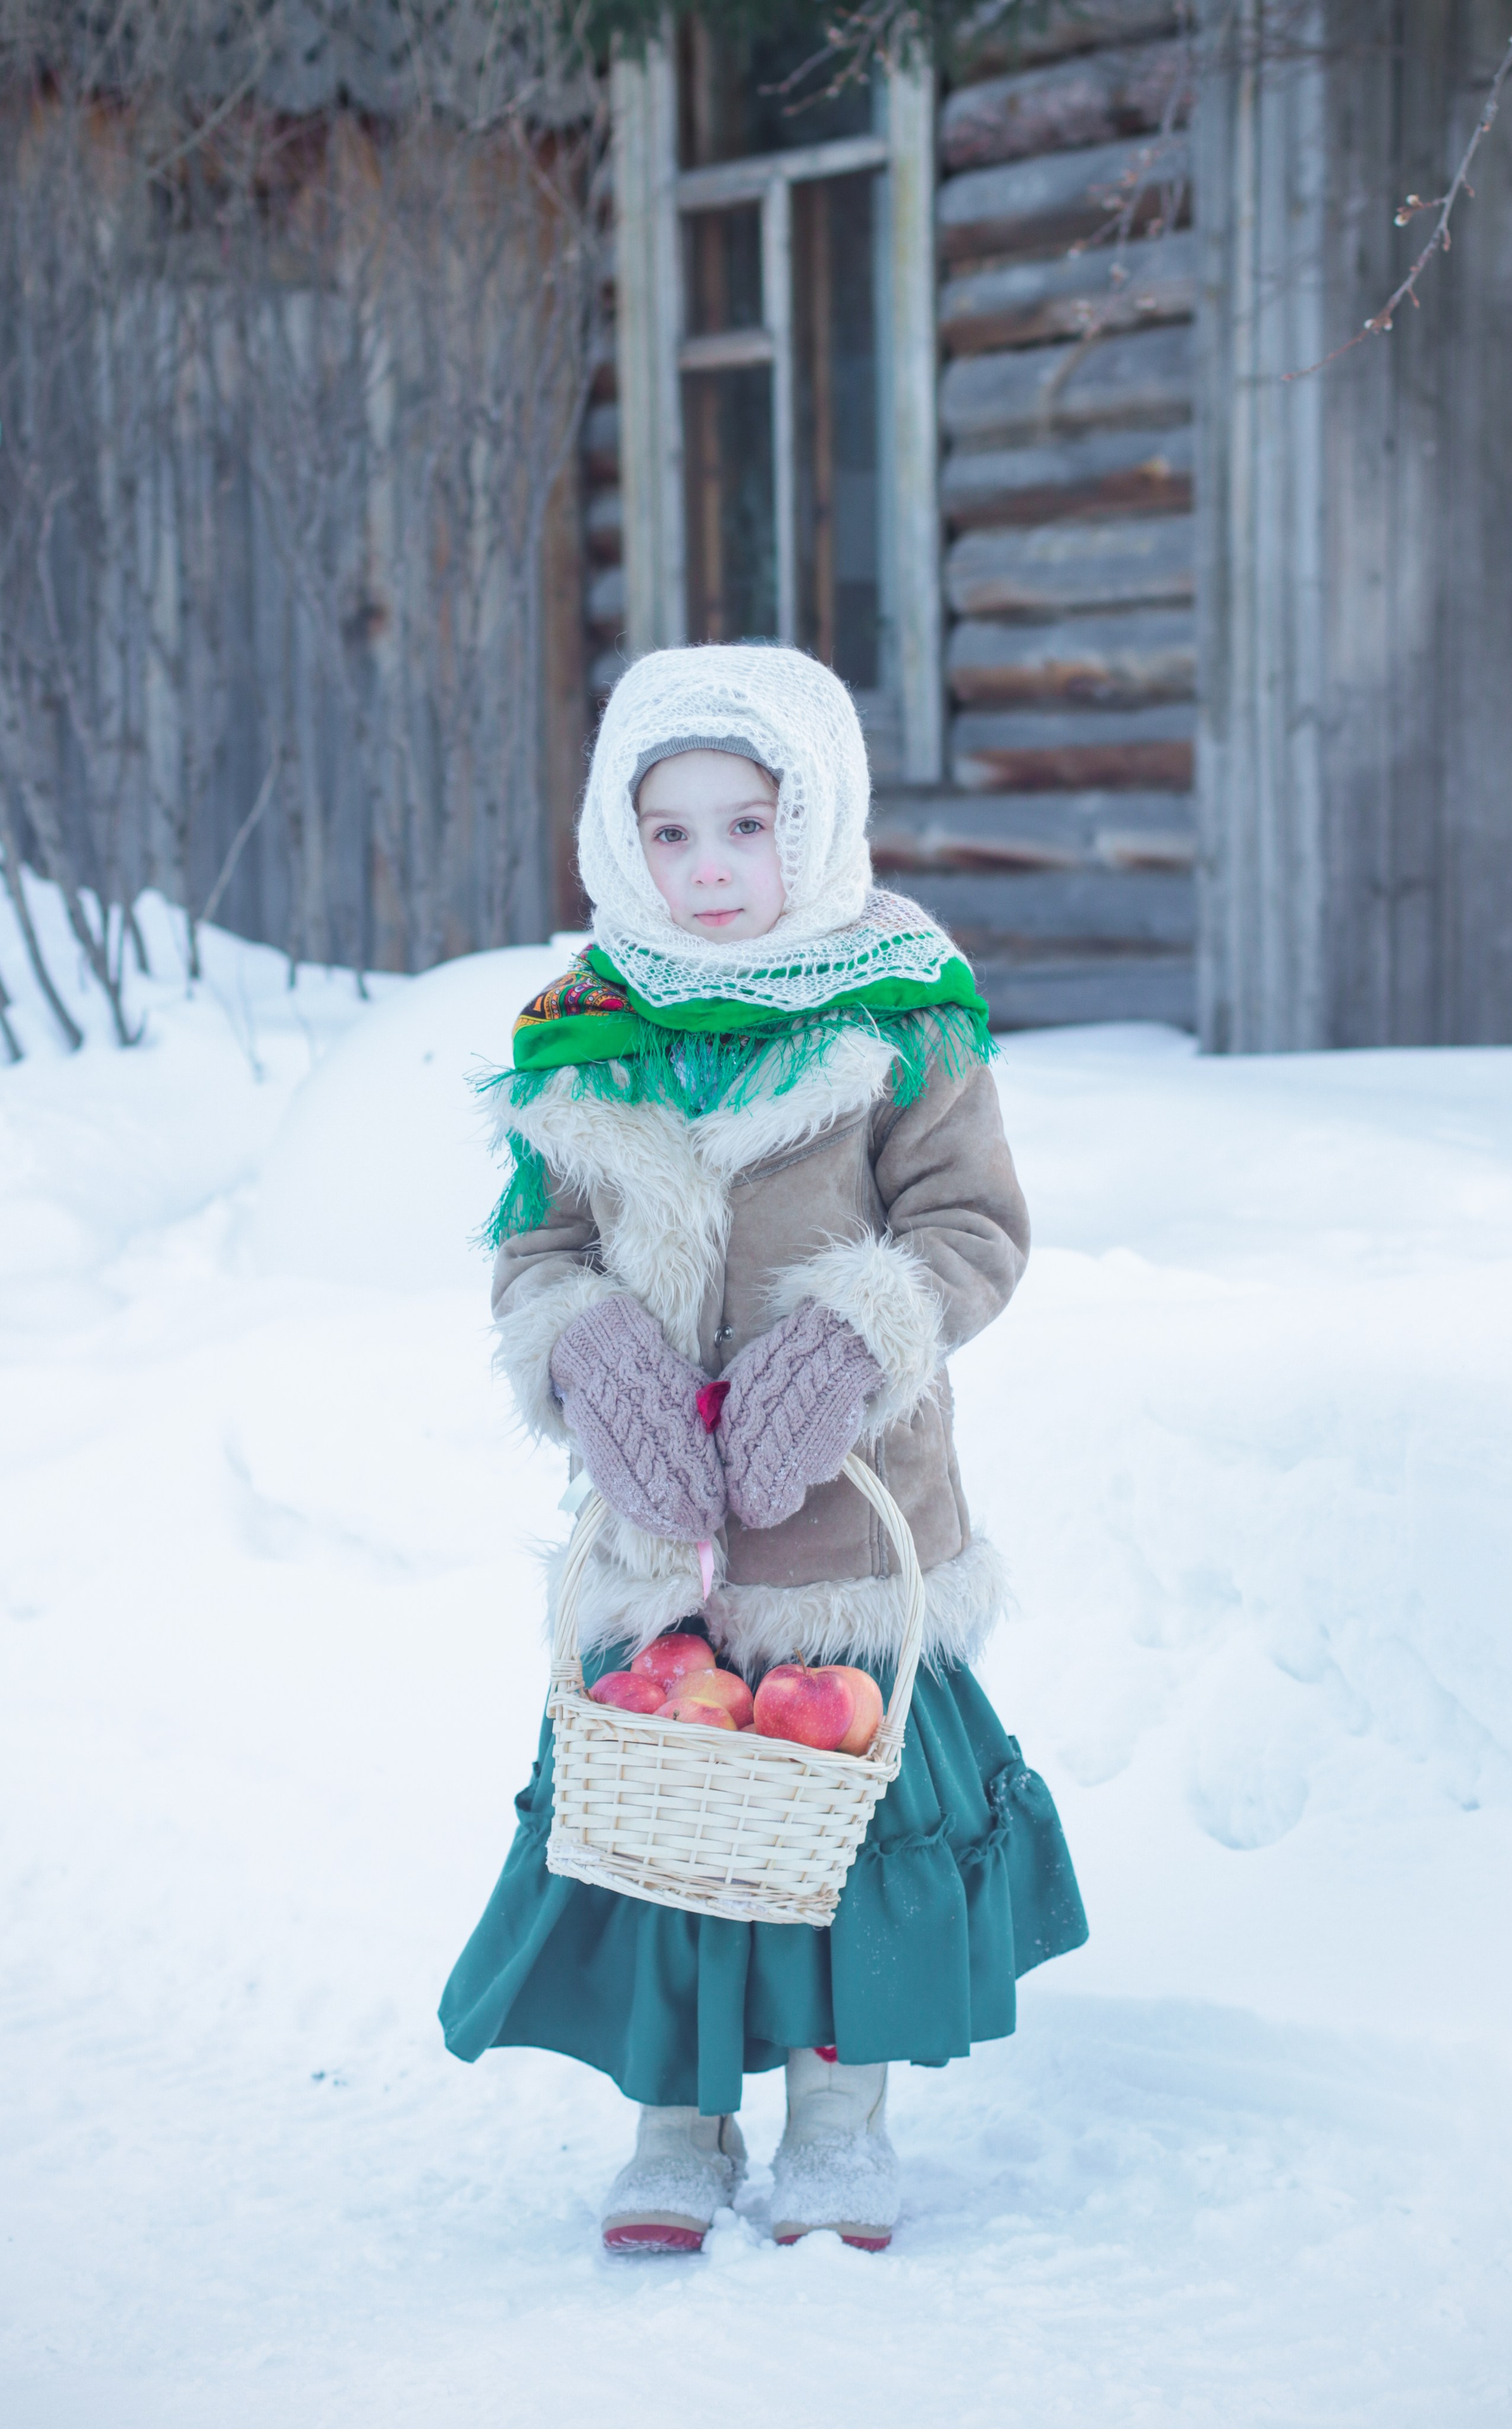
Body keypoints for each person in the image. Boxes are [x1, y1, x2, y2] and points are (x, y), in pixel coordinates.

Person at [439, 642, 1086, 2254]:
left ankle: (837, 2124)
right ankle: (678, 2123)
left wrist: (862, 1332)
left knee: (838, 1838)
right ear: (619, 838)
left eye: (748, 825)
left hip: (846, 1527)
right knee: (657, 1826)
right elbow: (538, 1246)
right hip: (656, 1524)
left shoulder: (902, 1011)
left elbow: (971, 1227)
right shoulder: (590, 1026)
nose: (711, 867)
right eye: (670, 833)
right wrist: (582, 1347)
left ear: (816, 820)